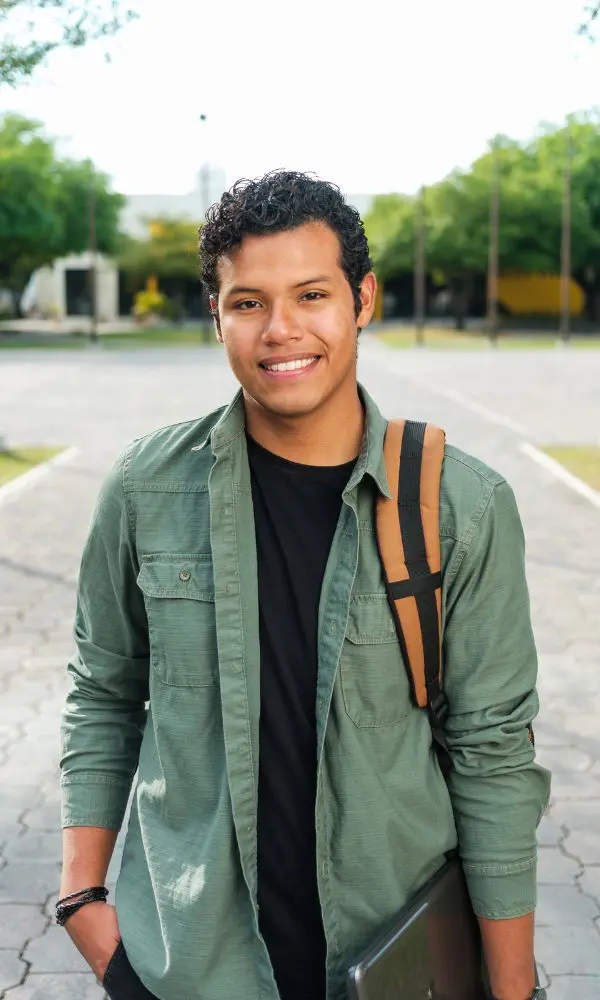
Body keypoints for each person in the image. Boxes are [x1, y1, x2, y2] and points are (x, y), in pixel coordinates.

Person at [59, 170, 551, 1000]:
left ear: (362, 300)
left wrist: (513, 994)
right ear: (216, 314)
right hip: (188, 965)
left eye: (311, 294)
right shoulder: (147, 486)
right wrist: (84, 902)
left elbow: (493, 755)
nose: (281, 330)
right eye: (248, 301)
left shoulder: (462, 505)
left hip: (390, 958)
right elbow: (105, 691)